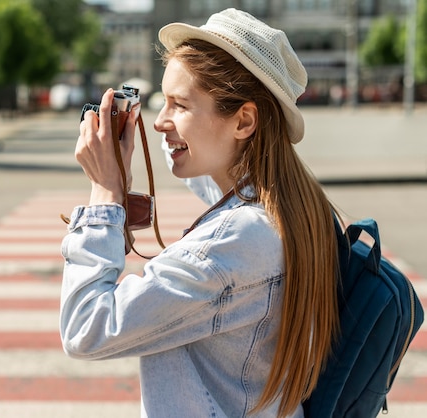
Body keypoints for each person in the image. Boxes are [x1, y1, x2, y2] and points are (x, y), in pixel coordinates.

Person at [60, 8, 339, 418]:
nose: (159, 122)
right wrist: (128, 136)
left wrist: (104, 194)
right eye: (160, 102)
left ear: (244, 121)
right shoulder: (295, 205)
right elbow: (206, 170)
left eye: (179, 105)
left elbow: (86, 329)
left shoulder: (229, 245)